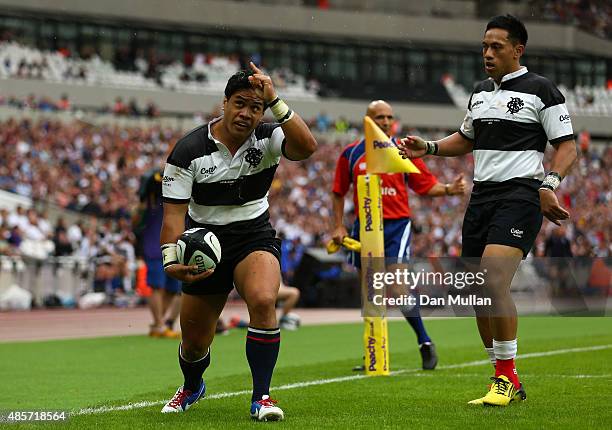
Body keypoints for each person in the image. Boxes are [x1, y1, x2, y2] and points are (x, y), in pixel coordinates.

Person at [398, 15, 576, 406]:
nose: (488, 54)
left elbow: (567, 147)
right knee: (476, 295)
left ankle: (506, 378)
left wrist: (550, 184)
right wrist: (427, 148)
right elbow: (466, 138)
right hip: (482, 198)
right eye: (484, 47)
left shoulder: (542, 91)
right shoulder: (479, 93)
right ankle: (503, 377)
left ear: (518, 49)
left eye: (496, 46)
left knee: (494, 280)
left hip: (521, 195)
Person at [159, 62, 317, 420]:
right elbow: (172, 216)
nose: (247, 113)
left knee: (263, 300)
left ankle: (261, 397)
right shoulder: (188, 151)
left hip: (253, 236)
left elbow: (307, 146)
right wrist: (170, 258)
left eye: (256, 107)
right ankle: (192, 385)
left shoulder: (269, 136)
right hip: (204, 242)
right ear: (225, 103)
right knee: (196, 342)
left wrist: (275, 98)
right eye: (240, 104)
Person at [330, 100, 466, 371]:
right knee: (370, 291)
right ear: (367, 120)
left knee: (398, 286)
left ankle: (424, 342)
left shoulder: (402, 151)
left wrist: (450, 189)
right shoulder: (351, 154)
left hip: (396, 226)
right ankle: (373, 353)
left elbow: (425, 185)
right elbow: (338, 192)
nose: (385, 121)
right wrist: (338, 226)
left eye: (389, 117)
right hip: (364, 227)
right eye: (379, 117)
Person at [133, 167, 181, 339]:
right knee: (157, 287)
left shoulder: (175, 200)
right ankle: (159, 324)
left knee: (172, 288)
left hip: (173, 246)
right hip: (153, 247)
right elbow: (135, 221)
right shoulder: (149, 202)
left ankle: (158, 323)